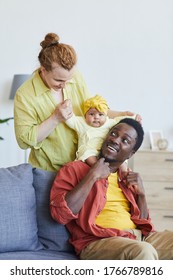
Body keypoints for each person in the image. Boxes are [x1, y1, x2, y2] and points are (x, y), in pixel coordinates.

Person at [14, 32, 139, 171]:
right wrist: (55, 118)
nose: (65, 84)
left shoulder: (76, 77)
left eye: (69, 79)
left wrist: (122, 114)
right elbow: (24, 141)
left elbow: (92, 110)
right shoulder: (25, 95)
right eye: (59, 80)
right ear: (43, 70)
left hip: (83, 168)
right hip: (49, 171)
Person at [50, 118, 173, 260]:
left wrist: (142, 195)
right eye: (114, 134)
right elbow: (59, 215)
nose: (115, 140)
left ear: (131, 154)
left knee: (146, 247)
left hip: (137, 237)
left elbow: (145, 224)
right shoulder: (75, 169)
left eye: (125, 140)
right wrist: (92, 175)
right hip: (99, 240)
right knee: (142, 251)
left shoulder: (126, 177)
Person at [65, 94, 140, 170]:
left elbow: (122, 121)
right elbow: (71, 120)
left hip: (106, 149)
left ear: (106, 115)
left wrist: (134, 117)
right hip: (90, 150)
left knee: (122, 159)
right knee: (86, 153)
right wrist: (66, 108)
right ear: (85, 115)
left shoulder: (109, 122)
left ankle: (124, 172)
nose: (96, 117)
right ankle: (98, 167)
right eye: (91, 114)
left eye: (100, 114)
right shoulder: (82, 122)